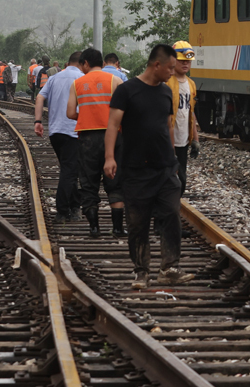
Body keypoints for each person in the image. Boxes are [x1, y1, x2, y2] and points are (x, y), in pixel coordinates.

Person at [105, 43, 192, 289]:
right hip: (135, 169)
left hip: (165, 167)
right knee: (137, 222)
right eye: (170, 68)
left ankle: (170, 268)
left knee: (171, 214)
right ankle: (141, 272)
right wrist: (110, 157)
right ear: (157, 65)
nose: (173, 73)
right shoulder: (127, 91)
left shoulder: (166, 92)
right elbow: (112, 125)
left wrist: (174, 159)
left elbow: (167, 126)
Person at [67, 47, 125, 238]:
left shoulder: (78, 83)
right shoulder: (116, 81)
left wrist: (86, 115)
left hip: (87, 138)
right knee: (115, 181)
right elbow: (125, 111)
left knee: (88, 182)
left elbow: (69, 113)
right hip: (114, 136)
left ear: (85, 63)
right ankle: (117, 228)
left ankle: (94, 228)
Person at [34, 51, 83, 223]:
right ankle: (62, 211)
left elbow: (40, 97)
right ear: (82, 63)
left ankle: (75, 206)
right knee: (70, 172)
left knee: (69, 170)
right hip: (73, 131)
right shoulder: (82, 78)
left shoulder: (55, 78)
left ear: (67, 63)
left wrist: (38, 121)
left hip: (55, 131)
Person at [167, 41, 200, 196]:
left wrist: (195, 139)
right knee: (169, 177)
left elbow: (190, 112)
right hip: (167, 139)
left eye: (188, 61)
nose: (185, 64)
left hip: (183, 140)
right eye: (181, 61)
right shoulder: (167, 82)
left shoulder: (191, 84)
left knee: (182, 178)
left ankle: (174, 207)